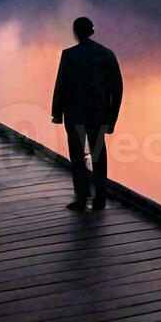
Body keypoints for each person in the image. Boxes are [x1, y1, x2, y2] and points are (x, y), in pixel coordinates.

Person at [51, 17, 123, 211]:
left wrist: (57, 113)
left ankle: (82, 197)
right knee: (98, 154)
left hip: (74, 116)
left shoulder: (69, 55)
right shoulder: (107, 55)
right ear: (91, 32)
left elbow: (61, 87)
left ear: (76, 32)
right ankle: (100, 198)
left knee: (77, 155)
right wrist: (112, 118)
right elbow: (117, 89)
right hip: (98, 117)